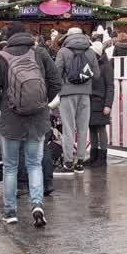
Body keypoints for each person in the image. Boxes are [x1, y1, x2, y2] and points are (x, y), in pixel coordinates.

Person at [0, 23, 62, 227]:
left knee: (10, 167)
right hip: (37, 120)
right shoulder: (40, 53)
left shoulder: (1, 57)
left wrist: (5, 106)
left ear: (8, 37)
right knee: (34, 164)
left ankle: (10, 211)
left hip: (11, 120)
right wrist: (42, 103)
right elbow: (57, 83)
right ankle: (37, 204)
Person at [55, 27, 98, 175]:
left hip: (67, 94)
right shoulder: (90, 51)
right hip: (85, 94)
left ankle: (67, 163)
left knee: (68, 129)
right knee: (83, 128)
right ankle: (80, 163)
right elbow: (96, 74)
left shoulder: (63, 51)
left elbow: (56, 73)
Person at [88, 40, 114, 167]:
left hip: (101, 101)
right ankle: (93, 156)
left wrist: (108, 104)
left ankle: (102, 158)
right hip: (90, 101)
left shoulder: (106, 67)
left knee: (101, 129)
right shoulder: (91, 65)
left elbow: (110, 86)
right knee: (91, 128)